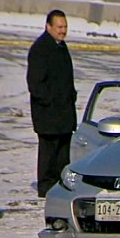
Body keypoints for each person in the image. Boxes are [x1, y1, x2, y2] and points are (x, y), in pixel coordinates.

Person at [26, 10, 77, 197]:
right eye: (59, 27)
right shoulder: (41, 49)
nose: (63, 31)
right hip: (49, 116)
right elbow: (35, 84)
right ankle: (46, 189)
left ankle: (60, 187)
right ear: (49, 27)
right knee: (49, 154)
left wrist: (70, 97)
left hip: (64, 115)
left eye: (65, 27)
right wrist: (50, 103)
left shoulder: (61, 47)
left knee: (63, 156)